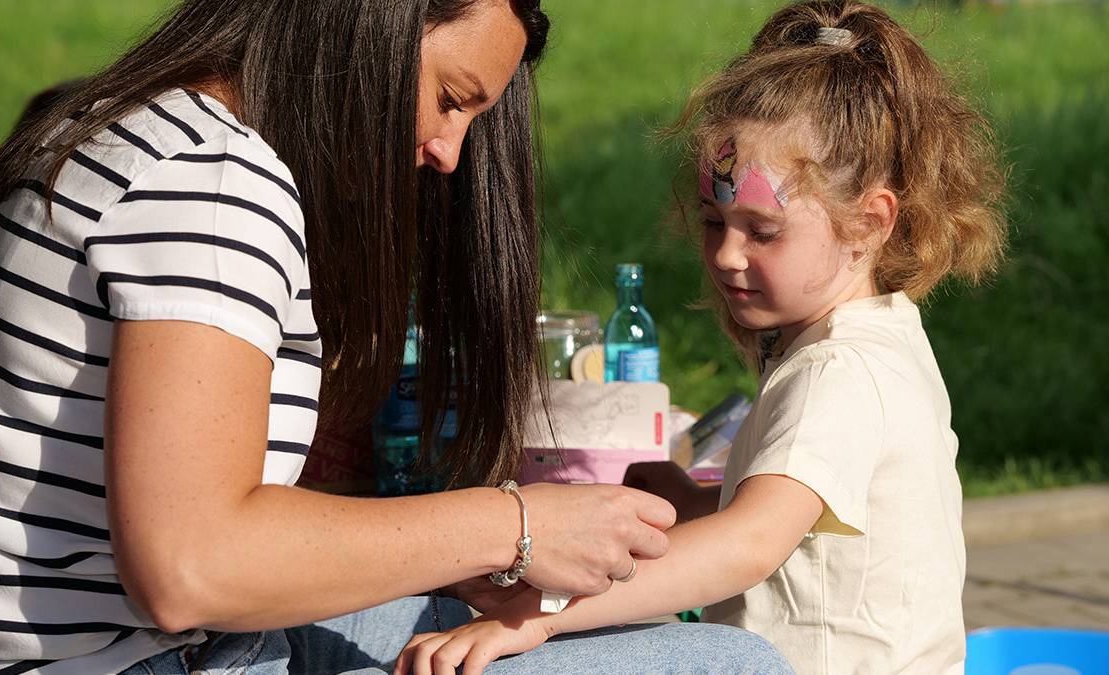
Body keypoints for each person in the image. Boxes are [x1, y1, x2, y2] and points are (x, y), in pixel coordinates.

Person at [0, 1, 789, 673]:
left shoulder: (114, 123)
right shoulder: (212, 181)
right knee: (729, 664)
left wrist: (447, 555)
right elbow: (189, 565)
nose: (451, 151)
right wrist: (514, 523)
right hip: (136, 659)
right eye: (451, 98)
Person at [394, 1, 1007, 673]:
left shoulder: (839, 372)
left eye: (762, 229)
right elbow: (806, 519)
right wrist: (693, 503)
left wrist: (538, 612)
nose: (726, 255)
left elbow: (746, 545)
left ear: (869, 223)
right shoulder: (878, 337)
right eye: (715, 221)